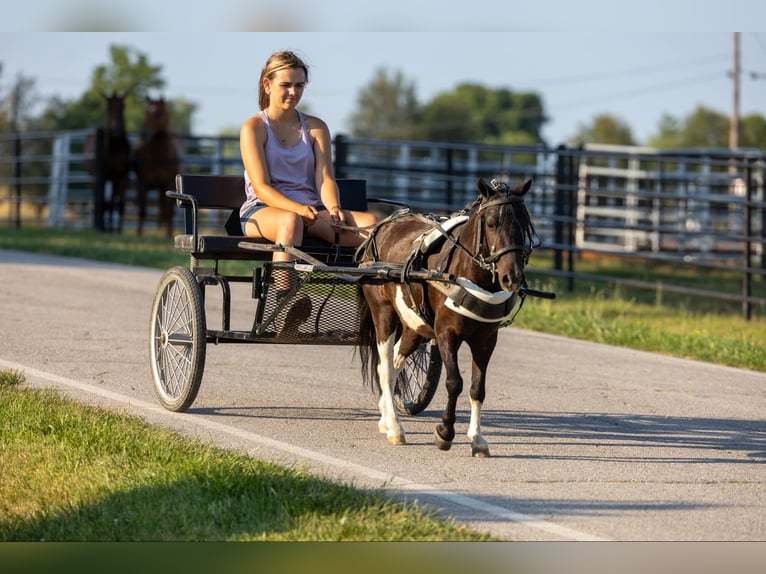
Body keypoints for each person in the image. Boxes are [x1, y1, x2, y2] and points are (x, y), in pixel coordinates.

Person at [239, 50, 376, 333]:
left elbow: (325, 176)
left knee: (373, 226)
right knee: (289, 223)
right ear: (268, 85)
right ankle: (284, 308)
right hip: (263, 212)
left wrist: (334, 207)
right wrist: (298, 210)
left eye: (299, 86)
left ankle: (378, 307)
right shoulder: (254, 128)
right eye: (285, 85)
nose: (293, 92)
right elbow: (262, 187)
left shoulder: (315, 127)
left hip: (312, 211)